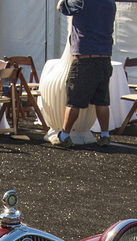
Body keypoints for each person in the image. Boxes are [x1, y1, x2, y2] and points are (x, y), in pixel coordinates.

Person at [56, 0, 117, 148]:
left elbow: (61, 7)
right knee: (102, 101)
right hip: (104, 57)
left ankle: (64, 135)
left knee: (73, 100)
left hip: (84, 58)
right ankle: (105, 135)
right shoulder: (110, 3)